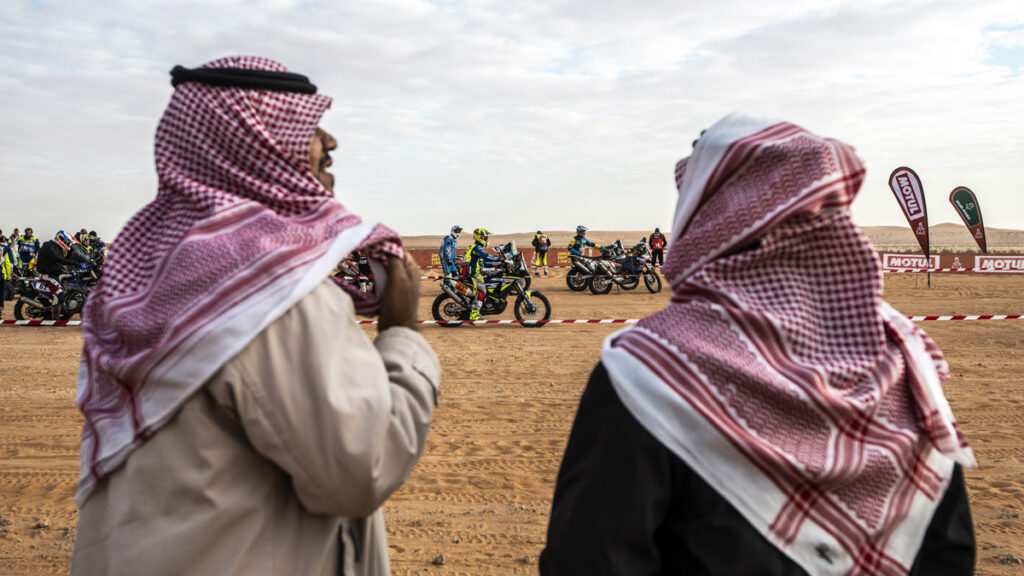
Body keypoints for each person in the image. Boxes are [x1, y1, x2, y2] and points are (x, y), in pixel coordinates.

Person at [541, 114, 975, 576]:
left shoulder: (649, 369)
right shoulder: (901, 357)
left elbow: (591, 558)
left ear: (705, 211)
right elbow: (948, 551)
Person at [71, 56, 440, 576]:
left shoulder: (168, 267)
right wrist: (403, 331)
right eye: (308, 125)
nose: (330, 143)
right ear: (253, 147)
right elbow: (360, 468)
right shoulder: (263, 293)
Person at [463, 227, 500, 320]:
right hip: (474, 273)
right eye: (485, 238)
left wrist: (496, 265)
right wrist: (499, 259)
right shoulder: (477, 248)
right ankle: (474, 314)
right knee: (482, 291)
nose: (486, 240)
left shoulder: (477, 248)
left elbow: (483, 262)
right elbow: (486, 256)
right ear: (479, 237)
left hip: (477, 272)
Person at [0, 231, 14, 319]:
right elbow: (9, 263)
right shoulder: (5, 248)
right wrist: (8, 276)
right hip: (1, 275)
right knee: (0, 295)